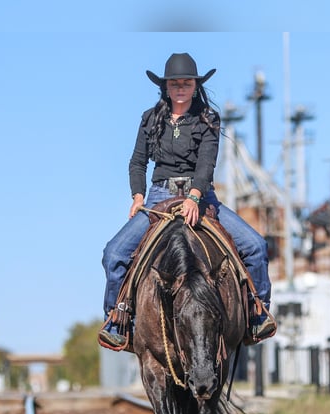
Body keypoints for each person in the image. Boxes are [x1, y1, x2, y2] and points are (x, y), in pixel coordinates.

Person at [99, 52, 276, 349]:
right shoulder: (150, 119)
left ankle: (257, 313)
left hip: (201, 197)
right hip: (158, 197)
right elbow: (137, 162)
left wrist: (195, 196)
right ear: (165, 87)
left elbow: (207, 163)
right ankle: (117, 319)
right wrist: (137, 196)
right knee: (113, 254)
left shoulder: (208, 119)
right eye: (175, 83)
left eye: (186, 83)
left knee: (256, 247)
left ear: (196, 86)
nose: (180, 88)